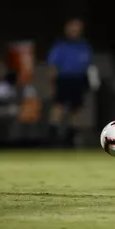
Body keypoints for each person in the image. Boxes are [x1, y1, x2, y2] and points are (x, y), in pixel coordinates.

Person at [47, 18, 93, 147]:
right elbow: (53, 66)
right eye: (72, 28)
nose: (75, 31)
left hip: (78, 80)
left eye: (77, 28)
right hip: (64, 79)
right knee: (59, 107)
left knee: (76, 109)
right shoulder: (60, 46)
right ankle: (53, 138)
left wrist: (89, 82)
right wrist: (52, 84)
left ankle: (70, 138)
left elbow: (89, 66)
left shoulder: (84, 46)